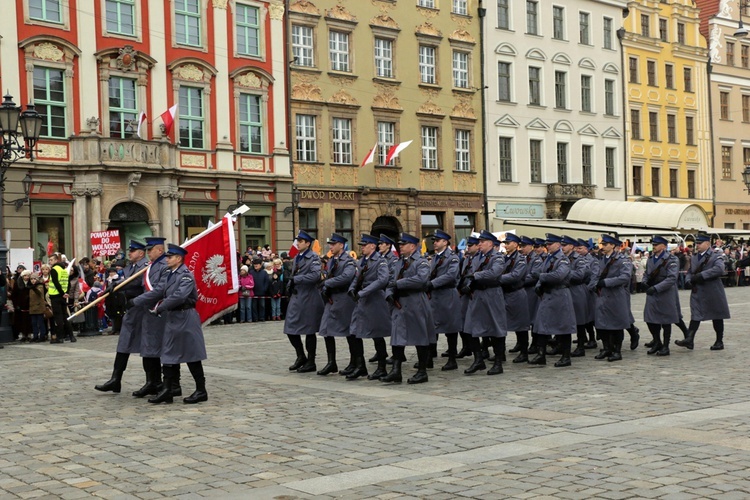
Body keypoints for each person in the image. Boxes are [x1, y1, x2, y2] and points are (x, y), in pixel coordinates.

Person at [134, 244, 208, 404]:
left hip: (185, 316)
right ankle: (168, 389)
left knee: (192, 354)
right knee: (168, 353)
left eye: (170, 257)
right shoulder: (169, 274)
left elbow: (179, 297)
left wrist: (160, 307)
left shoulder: (186, 276)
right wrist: (135, 301)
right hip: (172, 317)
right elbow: (158, 291)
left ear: (179, 258)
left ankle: (201, 390)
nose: (167, 259)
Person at [95, 240, 150, 394]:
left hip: (142, 308)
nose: (130, 253)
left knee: (147, 346)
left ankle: (152, 381)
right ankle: (115, 379)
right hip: (131, 309)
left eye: (133, 251)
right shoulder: (130, 267)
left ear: (141, 253)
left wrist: (118, 283)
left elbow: (136, 281)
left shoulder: (145, 266)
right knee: (123, 343)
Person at [381, 233, 435, 384]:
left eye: (403, 244)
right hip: (399, 303)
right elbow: (391, 280)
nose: (400, 246)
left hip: (415, 301)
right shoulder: (398, 262)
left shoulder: (421, 262)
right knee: (397, 336)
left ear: (412, 246)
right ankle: (396, 371)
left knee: (420, 336)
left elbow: (421, 279)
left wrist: (398, 284)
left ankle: (422, 371)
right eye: (400, 244)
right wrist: (389, 294)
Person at [462, 230, 507, 375]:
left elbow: (495, 273)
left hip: (492, 294)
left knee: (495, 328)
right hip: (477, 295)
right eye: (478, 242)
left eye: (481, 242)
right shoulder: (476, 258)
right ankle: (478, 359)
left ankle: (498, 363)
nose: (479, 244)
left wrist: (476, 275)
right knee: (470, 328)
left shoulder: (497, 257)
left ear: (490, 243)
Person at [348, 234, 392, 380]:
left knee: (377, 335)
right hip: (362, 301)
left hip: (375, 300)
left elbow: (382, 280)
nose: (362, 248)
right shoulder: (362, 261)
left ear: (372, 246)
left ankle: (381, 367)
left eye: (364, 245)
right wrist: (352, 289)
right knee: (354, 333)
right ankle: (360, 366)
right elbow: (357, 277)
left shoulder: (380, 261)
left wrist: (363, 292)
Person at [677, 234, 731, 351]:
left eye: (700, 243)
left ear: (707, 243)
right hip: (698, 290)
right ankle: (689, 339)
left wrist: (702, 275)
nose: (697, 245)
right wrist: (687, 280)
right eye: (696, 243)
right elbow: (690, 271)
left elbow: (719, 269)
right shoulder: (694, 257)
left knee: (717, 315)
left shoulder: (716, 256)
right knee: (695, 314)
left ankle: (719, 341)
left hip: (712, 290)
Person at [530, 234, 576, 367]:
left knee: (563, 326)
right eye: (546, 244)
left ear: (558, 245)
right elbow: (540, 275)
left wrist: (541, 277)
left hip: (560, 294)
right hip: (547, 295)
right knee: (541, 325)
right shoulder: (547, 259)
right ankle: (541, 354)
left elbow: (558, 276)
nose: (547, 246)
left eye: (550, 244)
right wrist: (539, 285)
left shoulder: (563, 260)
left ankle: (566, 356)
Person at [316, 233, 358, 376]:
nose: (331, 246)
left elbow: (347, 277)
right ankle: (331, 362)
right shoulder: (331, 261)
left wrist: (327, 282)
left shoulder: (349, 261)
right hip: (331, 299)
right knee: (326, 330)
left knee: (349, 332)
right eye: (330, 244)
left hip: (344, 299)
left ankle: (355, 362)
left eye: (334, 244)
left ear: (341, 245)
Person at [284, 230, 325, 373]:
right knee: (290, 328)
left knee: (309, 330)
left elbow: (315, 276)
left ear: (308, 243)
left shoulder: (313, 257)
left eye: (301, 241)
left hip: (309, 296)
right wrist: (290, 286)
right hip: (297, 296)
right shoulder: (297, 257)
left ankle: (311, 361)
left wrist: (297, 280)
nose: (298, 243)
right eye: (298, 241)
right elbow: (293, 274)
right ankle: (300, 355)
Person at [590, 234, 632, 362]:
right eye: (602, 244)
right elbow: (596, 274)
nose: (603, 246)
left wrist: (607, 282)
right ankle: (606, 348)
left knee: (616, 324)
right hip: (602, 295)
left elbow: (625, 277)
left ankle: (617, 351)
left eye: (606, 244)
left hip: (615, 295)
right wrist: (593, 285)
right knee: (602, 324)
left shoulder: (622, 259)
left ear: (613, 245)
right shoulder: (602, 259)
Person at [424, 230, 462, 371]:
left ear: (445, 242)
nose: (434, 243)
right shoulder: (434, 258)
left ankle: (452, 359)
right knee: (432, 327)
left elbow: (451, 275)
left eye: (437, 241)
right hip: (434, 296)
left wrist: (432, 284)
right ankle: (429, 357)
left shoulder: (452, 258)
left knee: (450, 328)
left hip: (447, 294)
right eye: (434, 241)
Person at [642, 236, 680, 356]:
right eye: (653, 245)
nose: (654, 247)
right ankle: (657, 341)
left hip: (665, 292)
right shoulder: (651, 259)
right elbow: (647, 273)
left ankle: (666, 346)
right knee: (650, 319)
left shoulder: (671, 259)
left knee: (666, 320)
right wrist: (644, 283)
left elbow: (672, 278)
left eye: (656, 245)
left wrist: (656, 288)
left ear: (663, 246)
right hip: (652, 292)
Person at [499, 233, 530, 365]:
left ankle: (524, 352)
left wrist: (496, 279)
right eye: (505, 243)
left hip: (516, 292)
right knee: (501, 324)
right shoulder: (503, 258)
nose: (505, 245)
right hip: (504, 293)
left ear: (516, 245)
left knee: (520, 324)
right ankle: (500, 353)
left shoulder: (521, 259)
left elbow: (516, 276)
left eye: (508, 243)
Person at [564, 236, 592, 357]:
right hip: (566, 289)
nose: (562, 248)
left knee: (580, 320)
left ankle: (581, 346)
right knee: (565, 319)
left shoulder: (579, 259)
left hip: (577, 289)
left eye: (564, 245)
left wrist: (563, 273)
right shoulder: (563, 259)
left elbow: (580, 275)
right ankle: (562, 345)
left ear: (571, 246)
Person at [48, 253, 74, 344]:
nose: (50, 262)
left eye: (51, 260)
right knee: (65, 316)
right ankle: (71, 336)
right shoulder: (63, 269)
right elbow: (67, 283)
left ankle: (60, 337)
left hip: (56, 296)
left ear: (56, 260)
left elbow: (55, 282)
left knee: (58, 317)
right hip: (63, 296)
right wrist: (66, 293)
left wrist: (63, 293)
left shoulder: (54, 269)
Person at [28, 272, 48, 342]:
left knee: (40, 322)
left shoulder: (40, 286)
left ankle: (42, 335)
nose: (33, 280)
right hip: (32, 307)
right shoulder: (30, 287)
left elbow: (40, 293)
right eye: (31, 279)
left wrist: (34, 288)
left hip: (39, 307)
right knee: (34, 323)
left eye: (34, 279)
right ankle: (35, 335)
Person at [250, 259, 269, 323]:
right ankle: (255, 318)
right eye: (254, 264)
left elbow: (267, 282)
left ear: (260, 265)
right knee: (254, 306)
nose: (256, 265)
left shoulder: (264, 272)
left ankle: (262, 317)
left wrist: (264, 289)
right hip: (253, 292)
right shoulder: (251, 272)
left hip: (262, 292)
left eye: (257, 264)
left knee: (262, 306)